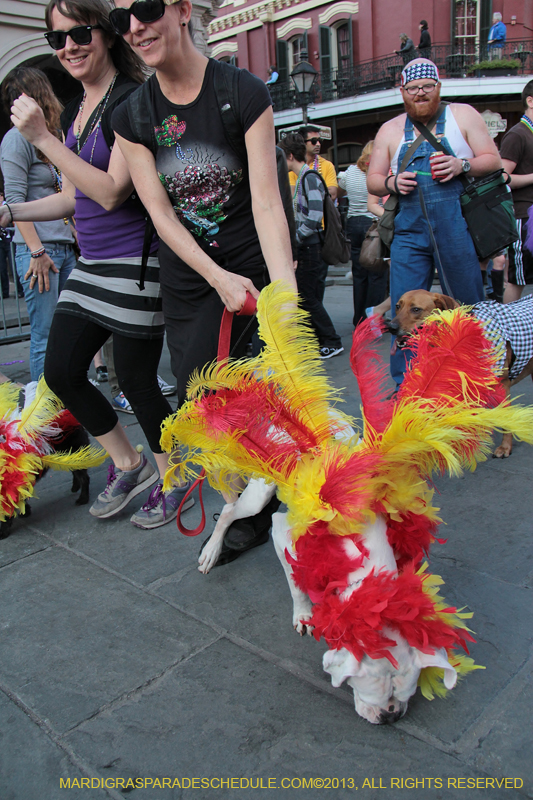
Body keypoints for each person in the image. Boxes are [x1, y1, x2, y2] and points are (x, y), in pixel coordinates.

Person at [110, 0, 297, 557]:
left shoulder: (242, 91)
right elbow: (161, 215)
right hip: (194, 281)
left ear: (182, 9)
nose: (135, 27)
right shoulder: (134, 114)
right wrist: (216, 276)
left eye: (144, 8)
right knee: (210, 408)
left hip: (258, 266)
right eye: (121, 19)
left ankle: (300, 503)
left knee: (278, 398)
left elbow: (267, 201)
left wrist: (284, 293)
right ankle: (242, 509)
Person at [0, 0, 188, 530]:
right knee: (60, 371)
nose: (69, 47)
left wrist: (41, 139)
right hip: (93, 264)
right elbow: (71, 199)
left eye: (79, 32)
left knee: (137, 379)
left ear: (105, 34)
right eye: (57, 40)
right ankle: (129, 463)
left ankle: (174, 477)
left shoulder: (129, 101)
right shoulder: (81, 109)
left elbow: (108, 193)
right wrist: (11, 211)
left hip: (136, 263)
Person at [367, 59, 501, 387]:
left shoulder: (463, 115)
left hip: (455, 226)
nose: (420, 94)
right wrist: (392, 184)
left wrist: (461, 164)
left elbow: (493, 159)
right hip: (409, 233)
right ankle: (407, 390)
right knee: (403, 314)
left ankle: (475, 382)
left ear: (439, 87)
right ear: (403, 92)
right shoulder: (390, 130)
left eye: (427, 87)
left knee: (468, 309)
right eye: (413, 89)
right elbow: (372, 179)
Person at [1, 68, 77, 381]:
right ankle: (43, 416)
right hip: (40, 251)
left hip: (63, 248)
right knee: (45, 336)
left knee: (69, 335)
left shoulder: (50, 137)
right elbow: (14, 205)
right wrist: (36, 252)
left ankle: (66, 406)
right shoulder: (16, 140)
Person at [279, 133, 343, 358]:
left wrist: (296, 238)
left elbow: (315, 216)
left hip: (309, 246)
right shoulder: (303, 178)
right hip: (307, 246)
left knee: (308, 297)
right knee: (308, 296)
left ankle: (331, 340)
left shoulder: (309, 178)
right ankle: (320, 339)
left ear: (289, 155)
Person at [337, 141, 388, 327]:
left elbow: (340, 189)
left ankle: (358, 319)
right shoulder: (379, 171)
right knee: (377, 272)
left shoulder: (349, 172)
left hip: (353, 223)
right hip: (373, 224)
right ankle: (373, 320)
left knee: (359, 274)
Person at [500, 80, 533, 303]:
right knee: (517, 279)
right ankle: (506, 333)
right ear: (530, 101)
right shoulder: (518, 134)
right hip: (524, 216)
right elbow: (501, 178)